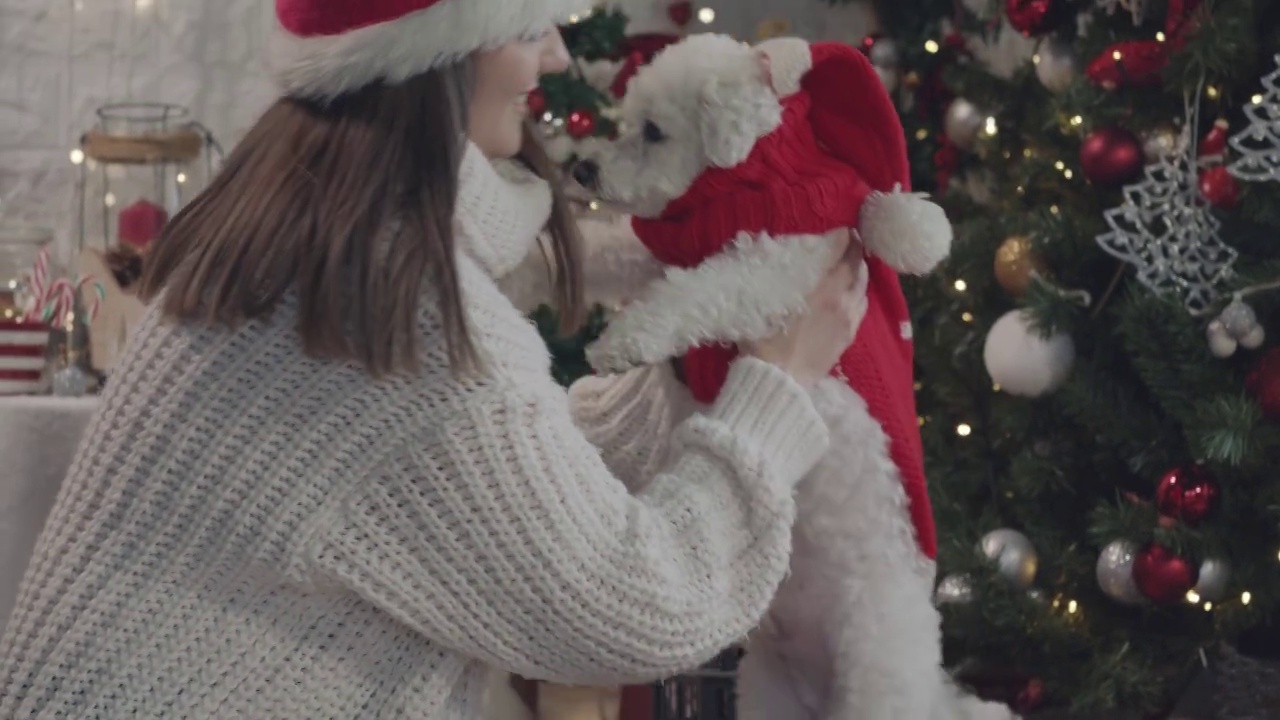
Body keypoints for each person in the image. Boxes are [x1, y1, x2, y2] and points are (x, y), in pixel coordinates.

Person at [0, 0, 869, 717]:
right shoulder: (400, 303)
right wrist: (776, 384)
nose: (558, 54)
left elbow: (471, 479)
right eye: (532, 25)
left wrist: (687, 376)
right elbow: (637, 604)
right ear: (445, 48)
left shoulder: (309, 236)